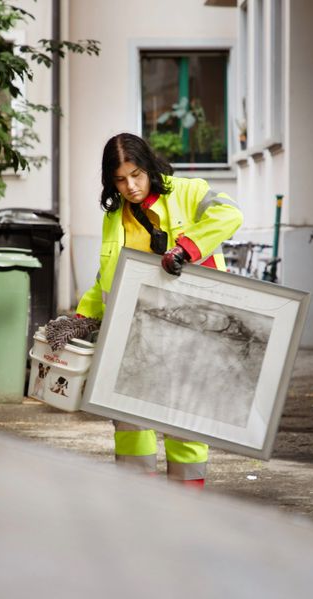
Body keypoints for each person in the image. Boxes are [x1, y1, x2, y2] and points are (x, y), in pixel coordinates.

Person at [76, 132, 243, 489]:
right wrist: (81, 316)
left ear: (149, 167)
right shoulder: (115, 216)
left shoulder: (189, 192)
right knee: (129, 420)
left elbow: (230, 214)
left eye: (136, 174)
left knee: (185, 417)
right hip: (134, 332)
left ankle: (187, 504)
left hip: (191, 328)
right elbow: (106, 276)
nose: (131, 186)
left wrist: (186, 249)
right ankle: (140, 503)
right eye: (120, 180)